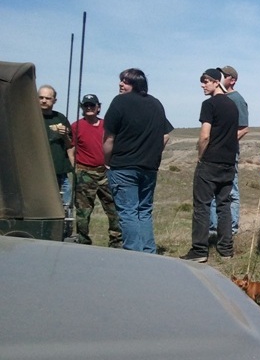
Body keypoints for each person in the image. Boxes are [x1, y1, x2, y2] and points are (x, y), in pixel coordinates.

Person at [104, 68, 174, 253]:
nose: (121, 84)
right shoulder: (156, 104)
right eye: (121, 80)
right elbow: (165, 136)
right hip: (149, 168)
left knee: (128, 212)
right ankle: (149, 252)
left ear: (136, 84)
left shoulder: (119, 102)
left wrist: (107, 161)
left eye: (126, 81)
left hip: (123, 166)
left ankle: (134, 255)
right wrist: (152, 153)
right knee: (143, 211)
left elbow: (109, 138)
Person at [181, 68, 239, 263]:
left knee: (202, 206)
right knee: (224, 205)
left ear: (216, 82)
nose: (202, 85)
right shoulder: (232, 105)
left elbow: (204, 135)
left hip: (210, 161)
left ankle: (199, 250)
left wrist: (200, 156)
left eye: (206, 81)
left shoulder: (209, 104)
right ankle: (226, 249)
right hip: (228, 163)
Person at [71, 94, 122, 247]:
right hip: (84, 173)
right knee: (83, 212)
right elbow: (71, 148)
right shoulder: (76, 126)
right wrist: (75, 168)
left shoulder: (107, 125)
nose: (89, 108)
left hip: (106, 173)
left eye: (92, 105)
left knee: (113, 208)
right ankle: (83, 240)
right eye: (86, 105)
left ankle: (116, 241)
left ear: (98, 107)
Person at [209, 65, 249, 236]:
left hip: (228, 151)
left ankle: (231, 229)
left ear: (232, 80)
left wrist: (227, 142)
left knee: (231, 189)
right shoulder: (218, 98)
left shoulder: (237, 99)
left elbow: (244, 127)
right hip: (214, 151)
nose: (220, 77)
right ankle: (214, 228)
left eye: (223, 75)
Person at [39, 85, 74, 239]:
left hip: (60, 171)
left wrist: (65, 135)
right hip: (38, 172)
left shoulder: (60, 118)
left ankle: (64, 233)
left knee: (65, 206)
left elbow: (70, 145)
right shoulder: (30, 117)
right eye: (41, 97)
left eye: (48, 98)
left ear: (54, 100)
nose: (44, 101)